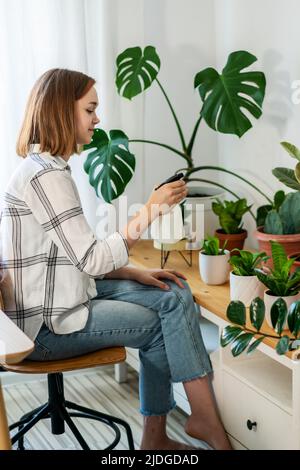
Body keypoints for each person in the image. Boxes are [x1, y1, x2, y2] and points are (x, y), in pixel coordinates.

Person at [0, 68, 232, 451]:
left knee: (172, 292)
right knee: (157, 324)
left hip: (62, 296)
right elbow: (90, 259)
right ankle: (169, 434)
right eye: (90, 109)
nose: (97, 119)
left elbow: (72, 255)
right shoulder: (45, 178)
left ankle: (197, 420)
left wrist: (133, 272)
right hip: (44, 327)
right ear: (62, 111)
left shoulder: (47, 170)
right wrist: (150, 211)